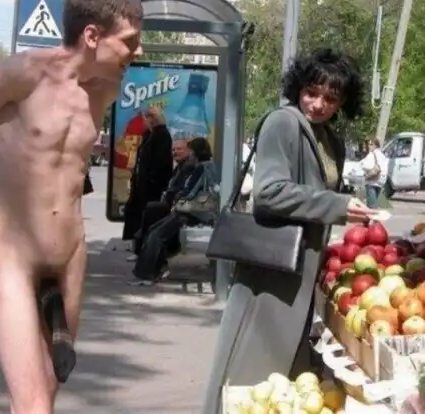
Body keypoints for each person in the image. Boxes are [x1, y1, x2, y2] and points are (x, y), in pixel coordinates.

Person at [0, 0, 143, 414]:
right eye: (129, 41)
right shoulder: (24, 72)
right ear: (92, 35)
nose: (137, 52)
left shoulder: (106, 88)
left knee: (45, 394)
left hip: (70, 255)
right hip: (12, 254)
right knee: (33, 406)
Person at [201, 49, 377, 413]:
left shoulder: (330, 138)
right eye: (312, 92)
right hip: (272, 272)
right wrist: (337, 206)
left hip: (304, 271)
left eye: (331, 98)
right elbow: (269, 193)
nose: (318, 104)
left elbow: (317, 194)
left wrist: (343, 212)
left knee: (282, 388)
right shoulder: (283, 123)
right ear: (298, 87)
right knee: (250, 378)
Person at [131, 137, 218, 286]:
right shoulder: (210, 166)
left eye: (190, 151)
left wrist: (177, 200)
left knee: (156, 234)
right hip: (199, 210)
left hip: (192, 211)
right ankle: (153, 270)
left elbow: (190, 192)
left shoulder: (200, 168)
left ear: (194, 152)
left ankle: (147, 274)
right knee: (155, 230)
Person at [128, 138, 192, 261]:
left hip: (180, 205)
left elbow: (182, 189)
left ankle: (145, 250)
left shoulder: (188, 167)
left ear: (188, 150)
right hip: (173, 203)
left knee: (151, 210)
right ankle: (145, 248)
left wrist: (168, 195)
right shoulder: (179, 167)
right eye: (173, 150)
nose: (175, 152)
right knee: (150, 210)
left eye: (179, 149)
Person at [122, 104, 174, 248]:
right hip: (142, 183)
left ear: (153, 119)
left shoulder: (161, 135)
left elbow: (160, 163)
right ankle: (137, 245)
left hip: (152, 186)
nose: (143, 121)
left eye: (146, 117)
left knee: (145, 215)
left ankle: (142, 246)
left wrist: (150, 179)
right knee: (135, 213)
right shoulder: (149, 135)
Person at [361, 137, 388, 208]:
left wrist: (363, 166)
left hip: (371, 181)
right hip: (380, 181)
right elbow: (384, 168)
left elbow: (366, 166)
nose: (369, 146)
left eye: (371, 144)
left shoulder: (372, 154)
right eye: (369, 144)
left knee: (371, 206)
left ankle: (372, 214)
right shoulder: (382, 155)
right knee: (374, 203)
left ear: (375, 145)